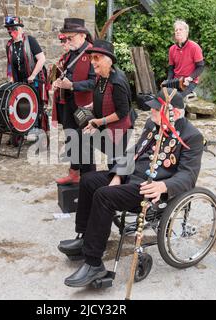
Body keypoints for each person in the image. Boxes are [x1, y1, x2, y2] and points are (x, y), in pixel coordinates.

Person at [58, 89, 204, 287]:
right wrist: (118, 175)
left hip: (150, 189)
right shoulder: (153, 124)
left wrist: (163, 185)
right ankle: (85, 238)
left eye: (156, 110)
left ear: (175, 113)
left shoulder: (192, 136)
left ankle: (94, 264)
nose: (151, 113)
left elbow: (188, 176)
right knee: (89, 180)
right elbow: (134, 152)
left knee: (103, 196)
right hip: (130, 177)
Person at [53, 18, 96, 185]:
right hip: (68, 103)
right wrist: (59, 81)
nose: (67, 41)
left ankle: (90, 180)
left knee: (85, 143)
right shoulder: (71, 52)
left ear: (82, 35)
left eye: (70, 37)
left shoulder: (93, 53)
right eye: (66, 37)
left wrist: (72, 85)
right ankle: (74, 173)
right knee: (71, 138)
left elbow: (95, 82)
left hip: (85, 105)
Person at [82, 39, 134, 170]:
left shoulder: (117, 82)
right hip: (106, 125)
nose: (92, 61)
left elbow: (122, 112)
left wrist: (99, 122)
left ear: (108, 60)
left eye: (96, 58)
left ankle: (119, 186)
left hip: (119, 128)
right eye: (91, 57)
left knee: (116, 163)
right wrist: (93, 104)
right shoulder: (102, 76)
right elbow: (103, 94)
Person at [4, 16, 47, 142]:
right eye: (9, 32)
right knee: (19, 106)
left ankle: (36, 130)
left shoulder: (30, 41)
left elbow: (41, 59)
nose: (12, 33)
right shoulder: (9, 45)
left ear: (21, 29)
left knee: (34, 105)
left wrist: (33, 75)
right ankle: (20, 132)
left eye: (14, 30)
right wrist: (10, 77)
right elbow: (10, 64)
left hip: (33, 79)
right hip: (19, 81)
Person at [167, 20, 205, 97]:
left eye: (180, 29)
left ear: (186, 33)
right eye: (176, 30)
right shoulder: (172, 49)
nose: (177, 31)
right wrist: (168, 82)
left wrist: (190, 78)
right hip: (176, 80)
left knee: (177, 98)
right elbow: (171, 69)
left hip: (190, 81)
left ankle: (179, 108)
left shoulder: (194, 47)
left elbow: (200, 67)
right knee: (163, 95)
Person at [50, 33, 71, 128]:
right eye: (61, 42)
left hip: (72, 99)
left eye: (64, 41)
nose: (62, 44)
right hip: (62, 98)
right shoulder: (63, 58)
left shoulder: (77, 57)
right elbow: (56, 77)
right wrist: (54, 82)